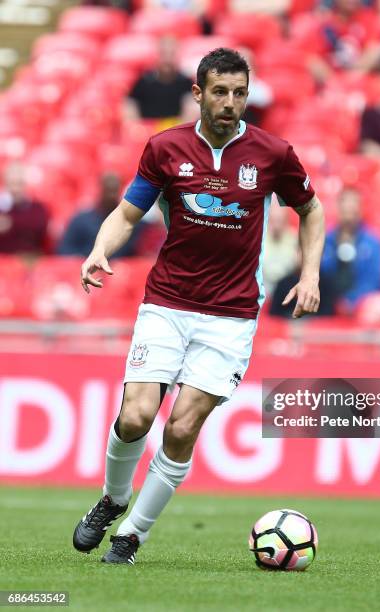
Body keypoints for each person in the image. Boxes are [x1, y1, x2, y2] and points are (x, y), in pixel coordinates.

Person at [72, 48, 325, 565]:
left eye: (239, 92)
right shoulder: (165, 147)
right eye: (220, 92)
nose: (231, 102)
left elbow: (311, 209)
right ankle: (112, 499)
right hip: (166, 302)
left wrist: (309, 274)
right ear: (198, 93)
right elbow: (127, 212)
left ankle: (132, 536)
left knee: (182, 427)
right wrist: (100, 248)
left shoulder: (273, 153)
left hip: (231, 314)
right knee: (136, 417)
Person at [320, 188, 380, 311]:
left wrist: (352, 300)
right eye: (345, 212)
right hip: (327, 305)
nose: (349, 218)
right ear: (338, 211)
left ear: (360, 212)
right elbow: (319, 276)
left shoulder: (373, 244)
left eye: (353, 212)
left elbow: (374, 282)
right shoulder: (325, 242)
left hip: (361, 307)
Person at [58, 173, 141, 257]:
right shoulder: (80, 220)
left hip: (120, 268)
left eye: (115, 191)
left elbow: (138, 254)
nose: (112, 196)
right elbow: (64, 250)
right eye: (108, 190)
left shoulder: (131, 221)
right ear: (100, 190)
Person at [125, 37, 193, 121]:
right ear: (157, 55)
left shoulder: (186, 82)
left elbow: (192, 107)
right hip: (148, 130)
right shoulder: (144, 81)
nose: (167, 59)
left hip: (175, 129)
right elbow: (130, 104)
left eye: (171, 54)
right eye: (164, 53)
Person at [0, 162, 48, 255]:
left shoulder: (37, 208)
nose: (15, 189)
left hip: (27, 260)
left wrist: (11, 222)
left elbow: (39, 227)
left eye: (19, 184)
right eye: (11, 184)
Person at [262, 199, 298, 296]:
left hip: (287, 290)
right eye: (273, 221)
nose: (276, 226)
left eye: (280, 221)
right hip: (263, 290)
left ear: (286, 221)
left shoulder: (295, 240)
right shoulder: (259, 239)